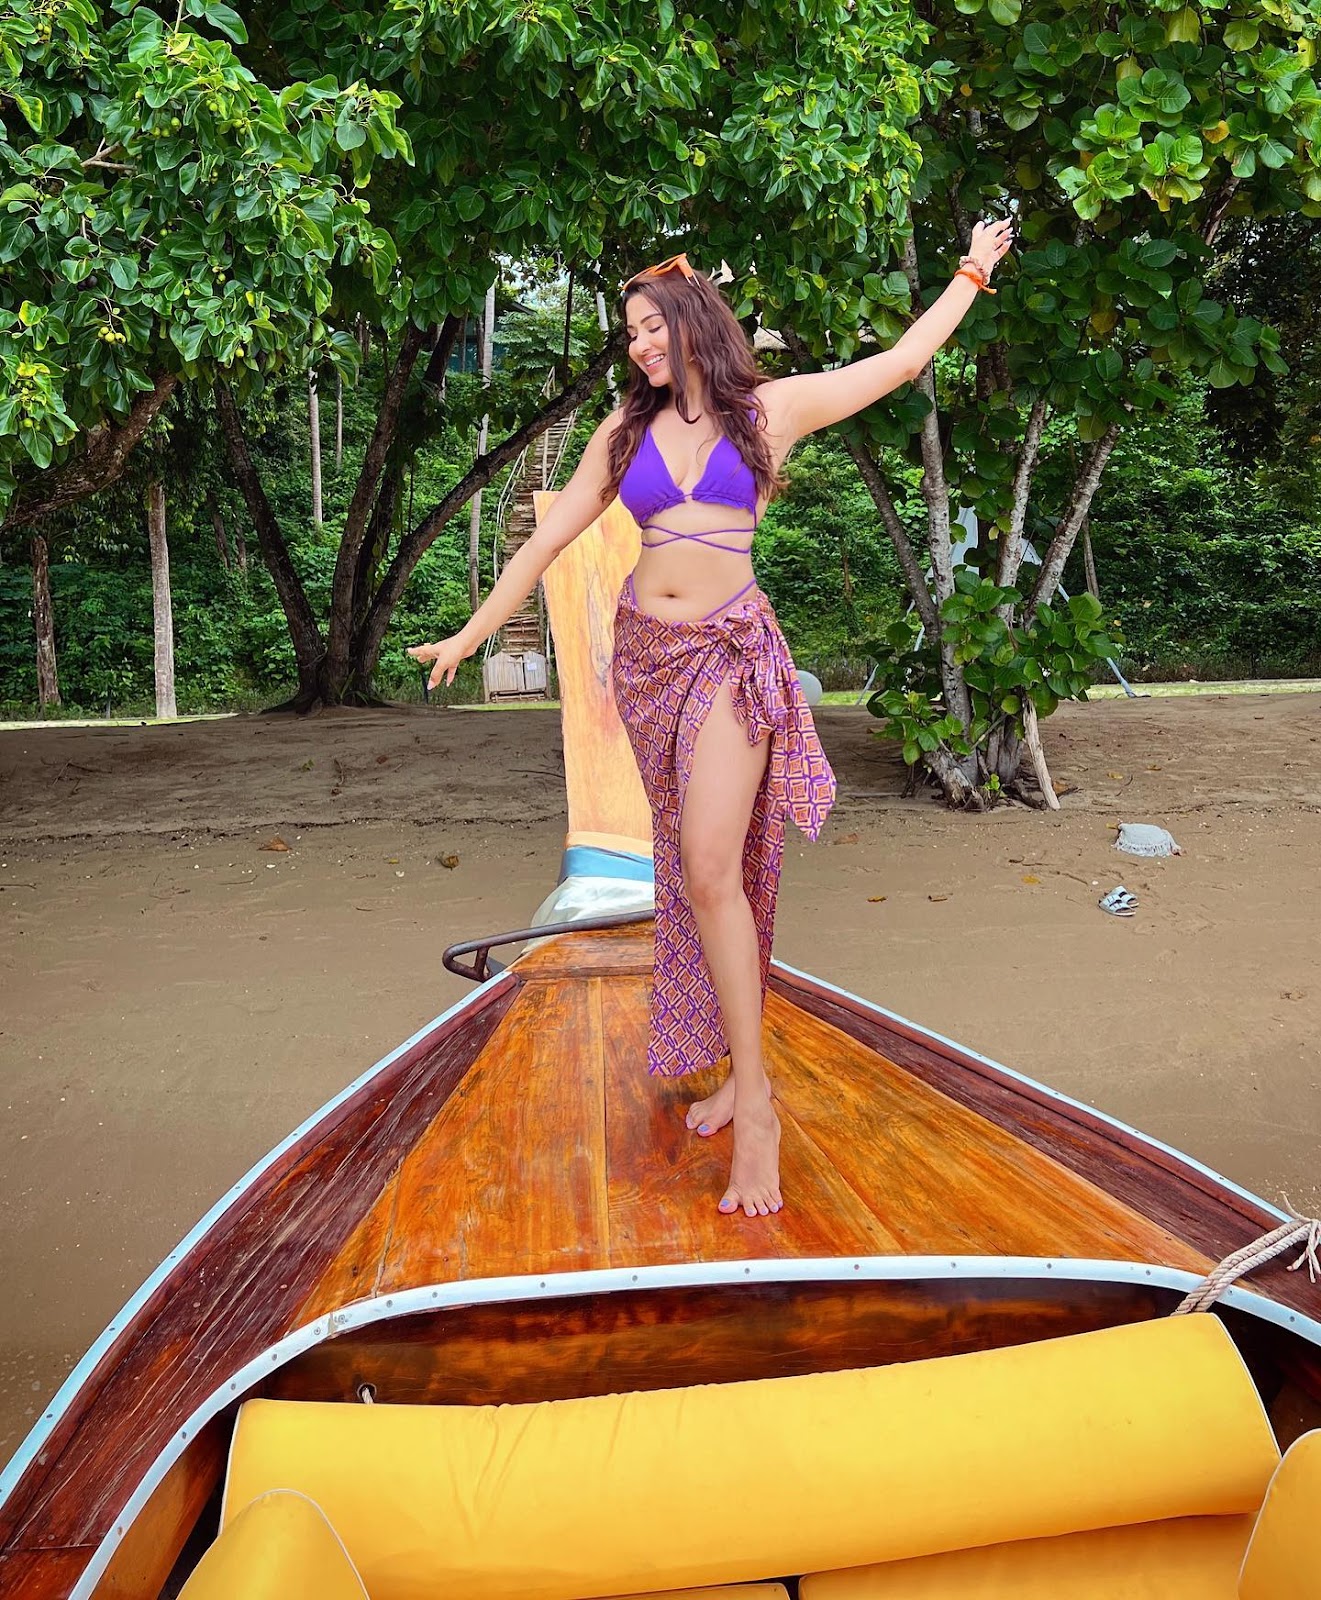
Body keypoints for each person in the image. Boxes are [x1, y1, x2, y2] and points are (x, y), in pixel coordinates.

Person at [409, 219, 1014, 1218]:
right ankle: (738, 1069)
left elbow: (902, 362)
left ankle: (758, 1105)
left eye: (652, 326)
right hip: (647, 663)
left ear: (694, 322)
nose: (640, 345)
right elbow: (547, 544)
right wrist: (471, 633)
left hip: (731, 656)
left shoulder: (769, 411)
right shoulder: (622, 433)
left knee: (707, 868)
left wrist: (970, 271)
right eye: (629, 333)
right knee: (695, 876)